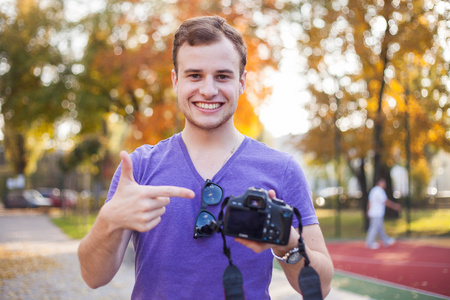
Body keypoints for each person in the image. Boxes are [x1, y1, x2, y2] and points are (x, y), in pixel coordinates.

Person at [77, 16, 333, 299]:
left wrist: (288, 243)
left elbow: (320, 288)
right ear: (176, 81)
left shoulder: (282, 169)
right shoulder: (139, 168)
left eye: (222, 76)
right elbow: (93, 276)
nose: (208, 90)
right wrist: (108, 220)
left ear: (242, 82)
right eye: (194, 75)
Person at [366, 178, 402, 249]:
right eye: (383, 182)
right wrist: (395, 206)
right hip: (376, 213)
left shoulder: (373, 190)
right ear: (379, 183)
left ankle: (386, 240)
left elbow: (369, 202)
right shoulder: (379, 191)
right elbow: (385, 201)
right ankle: (370, 242)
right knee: (374, 228)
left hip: (374, 213)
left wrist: (368, 211)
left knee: (380, 228)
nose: (385, 184)